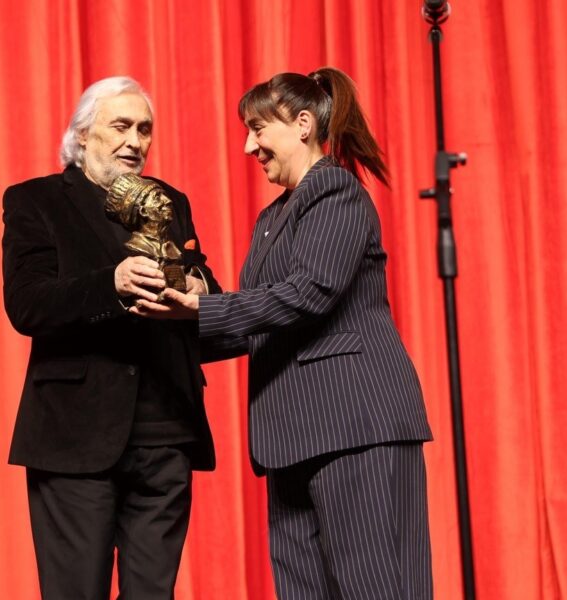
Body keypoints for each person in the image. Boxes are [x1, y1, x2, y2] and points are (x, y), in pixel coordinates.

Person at [134, 68, 434, 599]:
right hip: (291, 438)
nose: (249, 146)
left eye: (257, 129)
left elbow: (309, 293)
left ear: (302, 124)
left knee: (378, 588)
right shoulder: (273, 217)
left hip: (355, 428)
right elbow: (260, 322)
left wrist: (203, 308)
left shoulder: (335, 191)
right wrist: (170, 324)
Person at [1, 76, 220, 599]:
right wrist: (111, 284)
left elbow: (201, 277)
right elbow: (27, 305)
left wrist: (199, 287)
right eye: (121, 126)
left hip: (167, 431)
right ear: (82, 134)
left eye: (144, 129)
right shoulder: (36, 200)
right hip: (74, 437)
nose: (135, 141)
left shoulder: (170, 201)